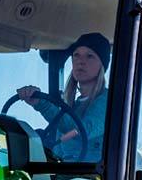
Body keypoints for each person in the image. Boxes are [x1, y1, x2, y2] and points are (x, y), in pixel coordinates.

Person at [15, 32, 110, 163]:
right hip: (67, 176)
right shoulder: (73, 107)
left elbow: (81, 131)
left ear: (102, 65)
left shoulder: (107, 102)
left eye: (90, 56)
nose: (81, 61)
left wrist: (42, 104)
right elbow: (59, 149)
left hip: (91, 177)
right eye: (76, 55)